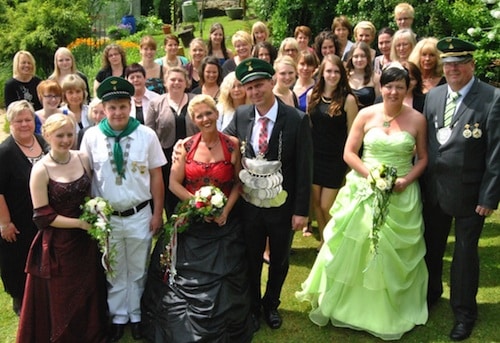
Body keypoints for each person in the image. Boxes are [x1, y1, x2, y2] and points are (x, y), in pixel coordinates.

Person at [296, 62, 429, 340]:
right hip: (364, 188)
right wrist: (371, 176)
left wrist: (406, 180)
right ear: (381, 87)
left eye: (400, 87)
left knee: (393, 250)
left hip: (402, 193)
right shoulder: (366, 114)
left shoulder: (417, 119)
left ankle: (391, 306)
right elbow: (349, 152)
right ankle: (348, 304)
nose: (393, 91)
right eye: (389, 86)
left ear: (408, 88)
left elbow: (424, 157)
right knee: (358, 243)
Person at [141, 94, 254, 342]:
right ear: (193, 120)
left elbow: (238, 183)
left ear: (216, 113)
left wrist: (224, 211)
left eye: (209, 113)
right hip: (191, 221)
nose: (205, 119)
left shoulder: (232, 144)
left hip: (225, 223)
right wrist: (197, 204)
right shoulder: (186, 146)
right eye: (199, 116)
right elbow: (173, 184)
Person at [224, 58, 313, 330]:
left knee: (279, 259)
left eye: (259, 85)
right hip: (249, 205)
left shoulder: (297, 119)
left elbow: (305, 168)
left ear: (272, 82)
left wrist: (301, 211)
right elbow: (221, 141)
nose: (254, 92)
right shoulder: (240, 116)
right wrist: (187, 144)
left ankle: (271, 303)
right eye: (249, 88)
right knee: (250, 258)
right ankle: (252, 305)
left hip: (282, 206)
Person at [421, 37, 500, 341]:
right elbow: (428, 144)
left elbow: (496, 152)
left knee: (465, 255)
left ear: (471, 65)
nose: (452, 69)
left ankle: (464, 312)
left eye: (458, 63)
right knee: (431, 248)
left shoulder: (492, 98)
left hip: (470, 194)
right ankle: (430, 295)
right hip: (435, 190)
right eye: (448, 64)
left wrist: (489, 195)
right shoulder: (434, 96)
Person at [80, 77, 166, 342]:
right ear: (103, 109)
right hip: (108, 218)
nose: (117, 112)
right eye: (111, 107)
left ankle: (137, 314)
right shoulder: (91, 137)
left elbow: (156, 177)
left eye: (122, 106)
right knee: (114, 267)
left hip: (139, 213)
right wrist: (91, 215)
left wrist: (157, 213)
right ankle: (118, 316)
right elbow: (85, 177)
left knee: (138, 267)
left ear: (130, 105)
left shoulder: (146, 135)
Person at [17, 113, 108, 342]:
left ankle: (91, 332)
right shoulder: (41, 170)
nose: (66, 139)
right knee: (64, 293)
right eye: (60, 135)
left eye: (70, 134)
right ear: (47, 135)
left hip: (86, 240)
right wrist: (79, 223)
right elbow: (43, 216)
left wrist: (94, 213)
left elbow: (89, 194)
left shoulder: (82, 158)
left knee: (89, 286)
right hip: (59, 243)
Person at [0, 100, 49, 316]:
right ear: (10, 123)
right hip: (17, 220)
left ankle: (42, 295)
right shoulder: (4, 153)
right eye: (18, 120)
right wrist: (4, 222)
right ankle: (20, 301)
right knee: (17, 260)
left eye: (28, 119)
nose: (24, 124)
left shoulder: (44, 142)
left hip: (43, 216)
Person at [306, 54, 358, 250]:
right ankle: (325, 239)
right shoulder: (314, 95)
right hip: (315, 156)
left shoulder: (348, 100)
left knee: (328, 205)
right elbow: (308, 124)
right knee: (317, 204)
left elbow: (353, 133)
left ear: (342, 74)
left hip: (335, 160)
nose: (332, 75)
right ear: (322, 73)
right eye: (329, 71)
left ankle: (336, 237)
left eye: (336, 71)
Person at [146, 67, 198, 216]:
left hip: (193, 156)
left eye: (180, 80)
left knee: (191, 193)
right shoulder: (155, 103)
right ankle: (173, 230)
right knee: (171, 198)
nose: (176, 83)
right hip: (166, 158)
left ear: (186, 82)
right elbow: (150, 133)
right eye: (173, 80)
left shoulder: (196, 100)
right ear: (165, 82)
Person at [346, 41, 380, 109]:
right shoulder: (345, 77)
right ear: (351, 58)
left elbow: (379, 104)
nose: (359, 59)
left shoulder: (375, 78)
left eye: (363, 56)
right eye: (356, 56)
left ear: (368, 58)